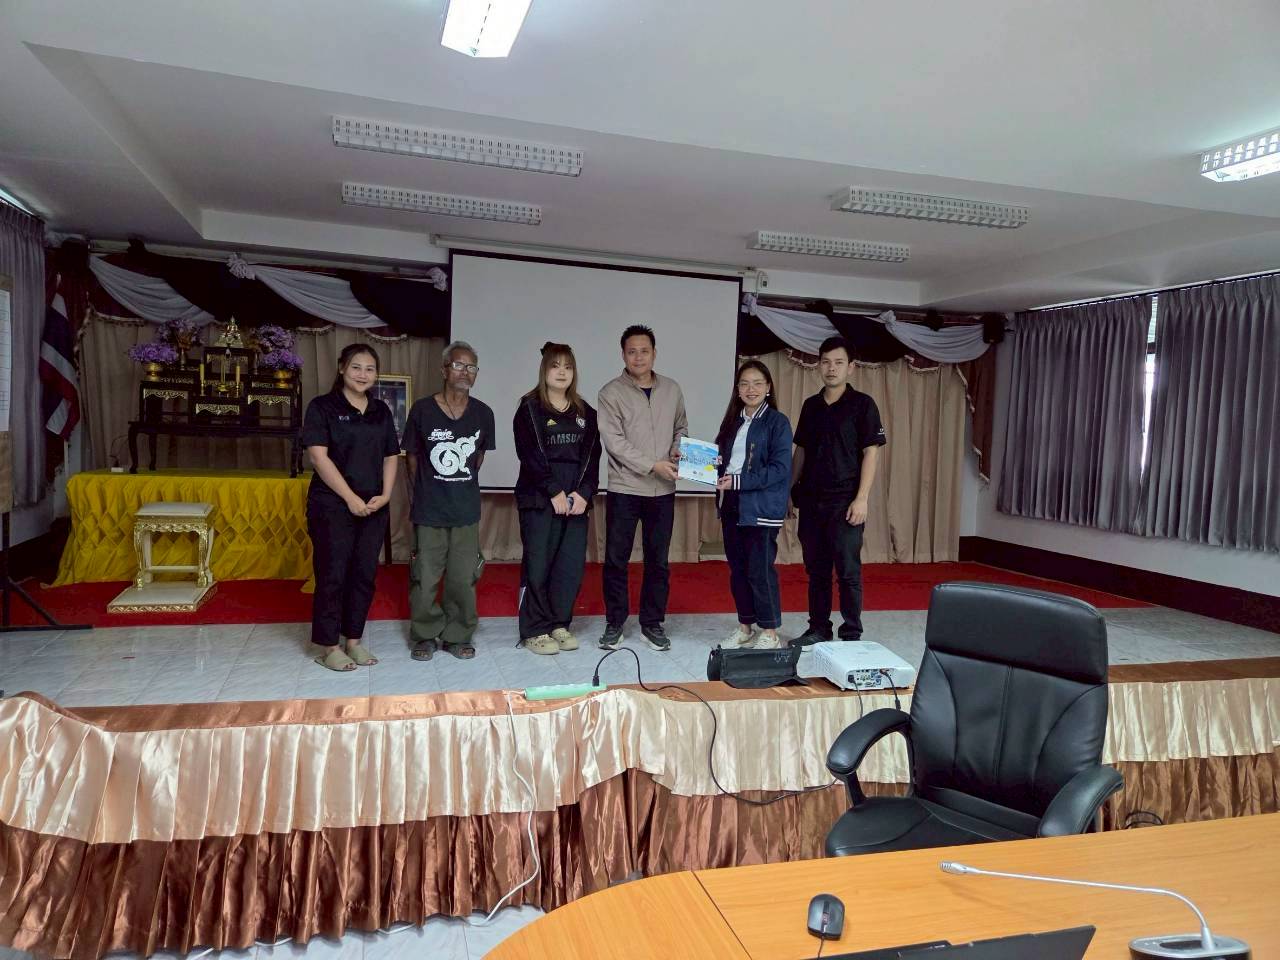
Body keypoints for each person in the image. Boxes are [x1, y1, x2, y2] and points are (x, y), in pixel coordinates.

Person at [301, 343, 400, 671]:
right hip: (332, 505)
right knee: (332, 574)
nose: (362, 374)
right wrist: (349, 498)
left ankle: (353, 640)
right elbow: (319, 457)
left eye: (370, 369)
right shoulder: (322, 407)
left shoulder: (381, 410)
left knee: (363, 575)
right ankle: (329, 646)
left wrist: (386, 494)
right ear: (342, 368)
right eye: (356, 367)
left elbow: (391, 455)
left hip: (373, 507)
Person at [596, 324, 688, 652]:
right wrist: (652, 464)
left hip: (662, 491)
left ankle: (652, 623)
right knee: (616, 559)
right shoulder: (610, 393)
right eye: (632, 351)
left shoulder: (672, 389)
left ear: (654, 353)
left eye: (644, 351)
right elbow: (615, 443)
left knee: (658, 561)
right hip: (625, 488)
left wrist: (677, 449)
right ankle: (615, 623)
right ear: (623, 355)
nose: (638, 357)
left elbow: (681, 427)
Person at [404, 340, 496, 661]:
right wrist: (424, 493)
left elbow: (477, 459)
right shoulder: (422, 410)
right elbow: (412, 459)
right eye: (458, 365)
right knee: (425, 577)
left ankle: (457, 635)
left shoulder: (483, 414)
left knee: (462, 578)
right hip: (429, 509)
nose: (465, 372)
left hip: (465, 510)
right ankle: (425, 634)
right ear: (444, 370)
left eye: (471, 367)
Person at [791, 336, 885, 644]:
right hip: (811, 500)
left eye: (839, 363)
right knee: (816, 570)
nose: (831, 368)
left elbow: (871, 452)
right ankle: (818, 628)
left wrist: (862, 498)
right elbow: (801, 451)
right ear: (819, 365)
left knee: (847, 570)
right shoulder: (811, 406)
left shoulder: (863, 405)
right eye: (826, 362)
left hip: (846, 501)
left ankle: (851, 632)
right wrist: (787, 491)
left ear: (851, 367)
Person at [513, 342, 603, 655]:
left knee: (569, 566)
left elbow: (592, 458)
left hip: (576, 501)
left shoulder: (586, 412)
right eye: (555, 366)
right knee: (538, 564)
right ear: (545, 370)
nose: (562, 372)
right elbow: (530, 454)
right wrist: (553, 490)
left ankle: (558, 623)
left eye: (568, 366)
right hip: (540, 499)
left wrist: (584, 493)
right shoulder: (529, 408)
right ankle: (534, 629)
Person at [714, 360, 792, 650]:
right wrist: (700, 463)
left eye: (758, 383)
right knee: (738, 570)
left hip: (761, 507)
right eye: (745, 383)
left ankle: (770, 632)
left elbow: (780, 469)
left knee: (760, 570)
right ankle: (745, 627)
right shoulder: (732, 422)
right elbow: (722, 460)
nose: (751, 389)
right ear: (737, 389)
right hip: (732, 503)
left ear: (768, 387)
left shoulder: (777, 422)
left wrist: (738, 481)